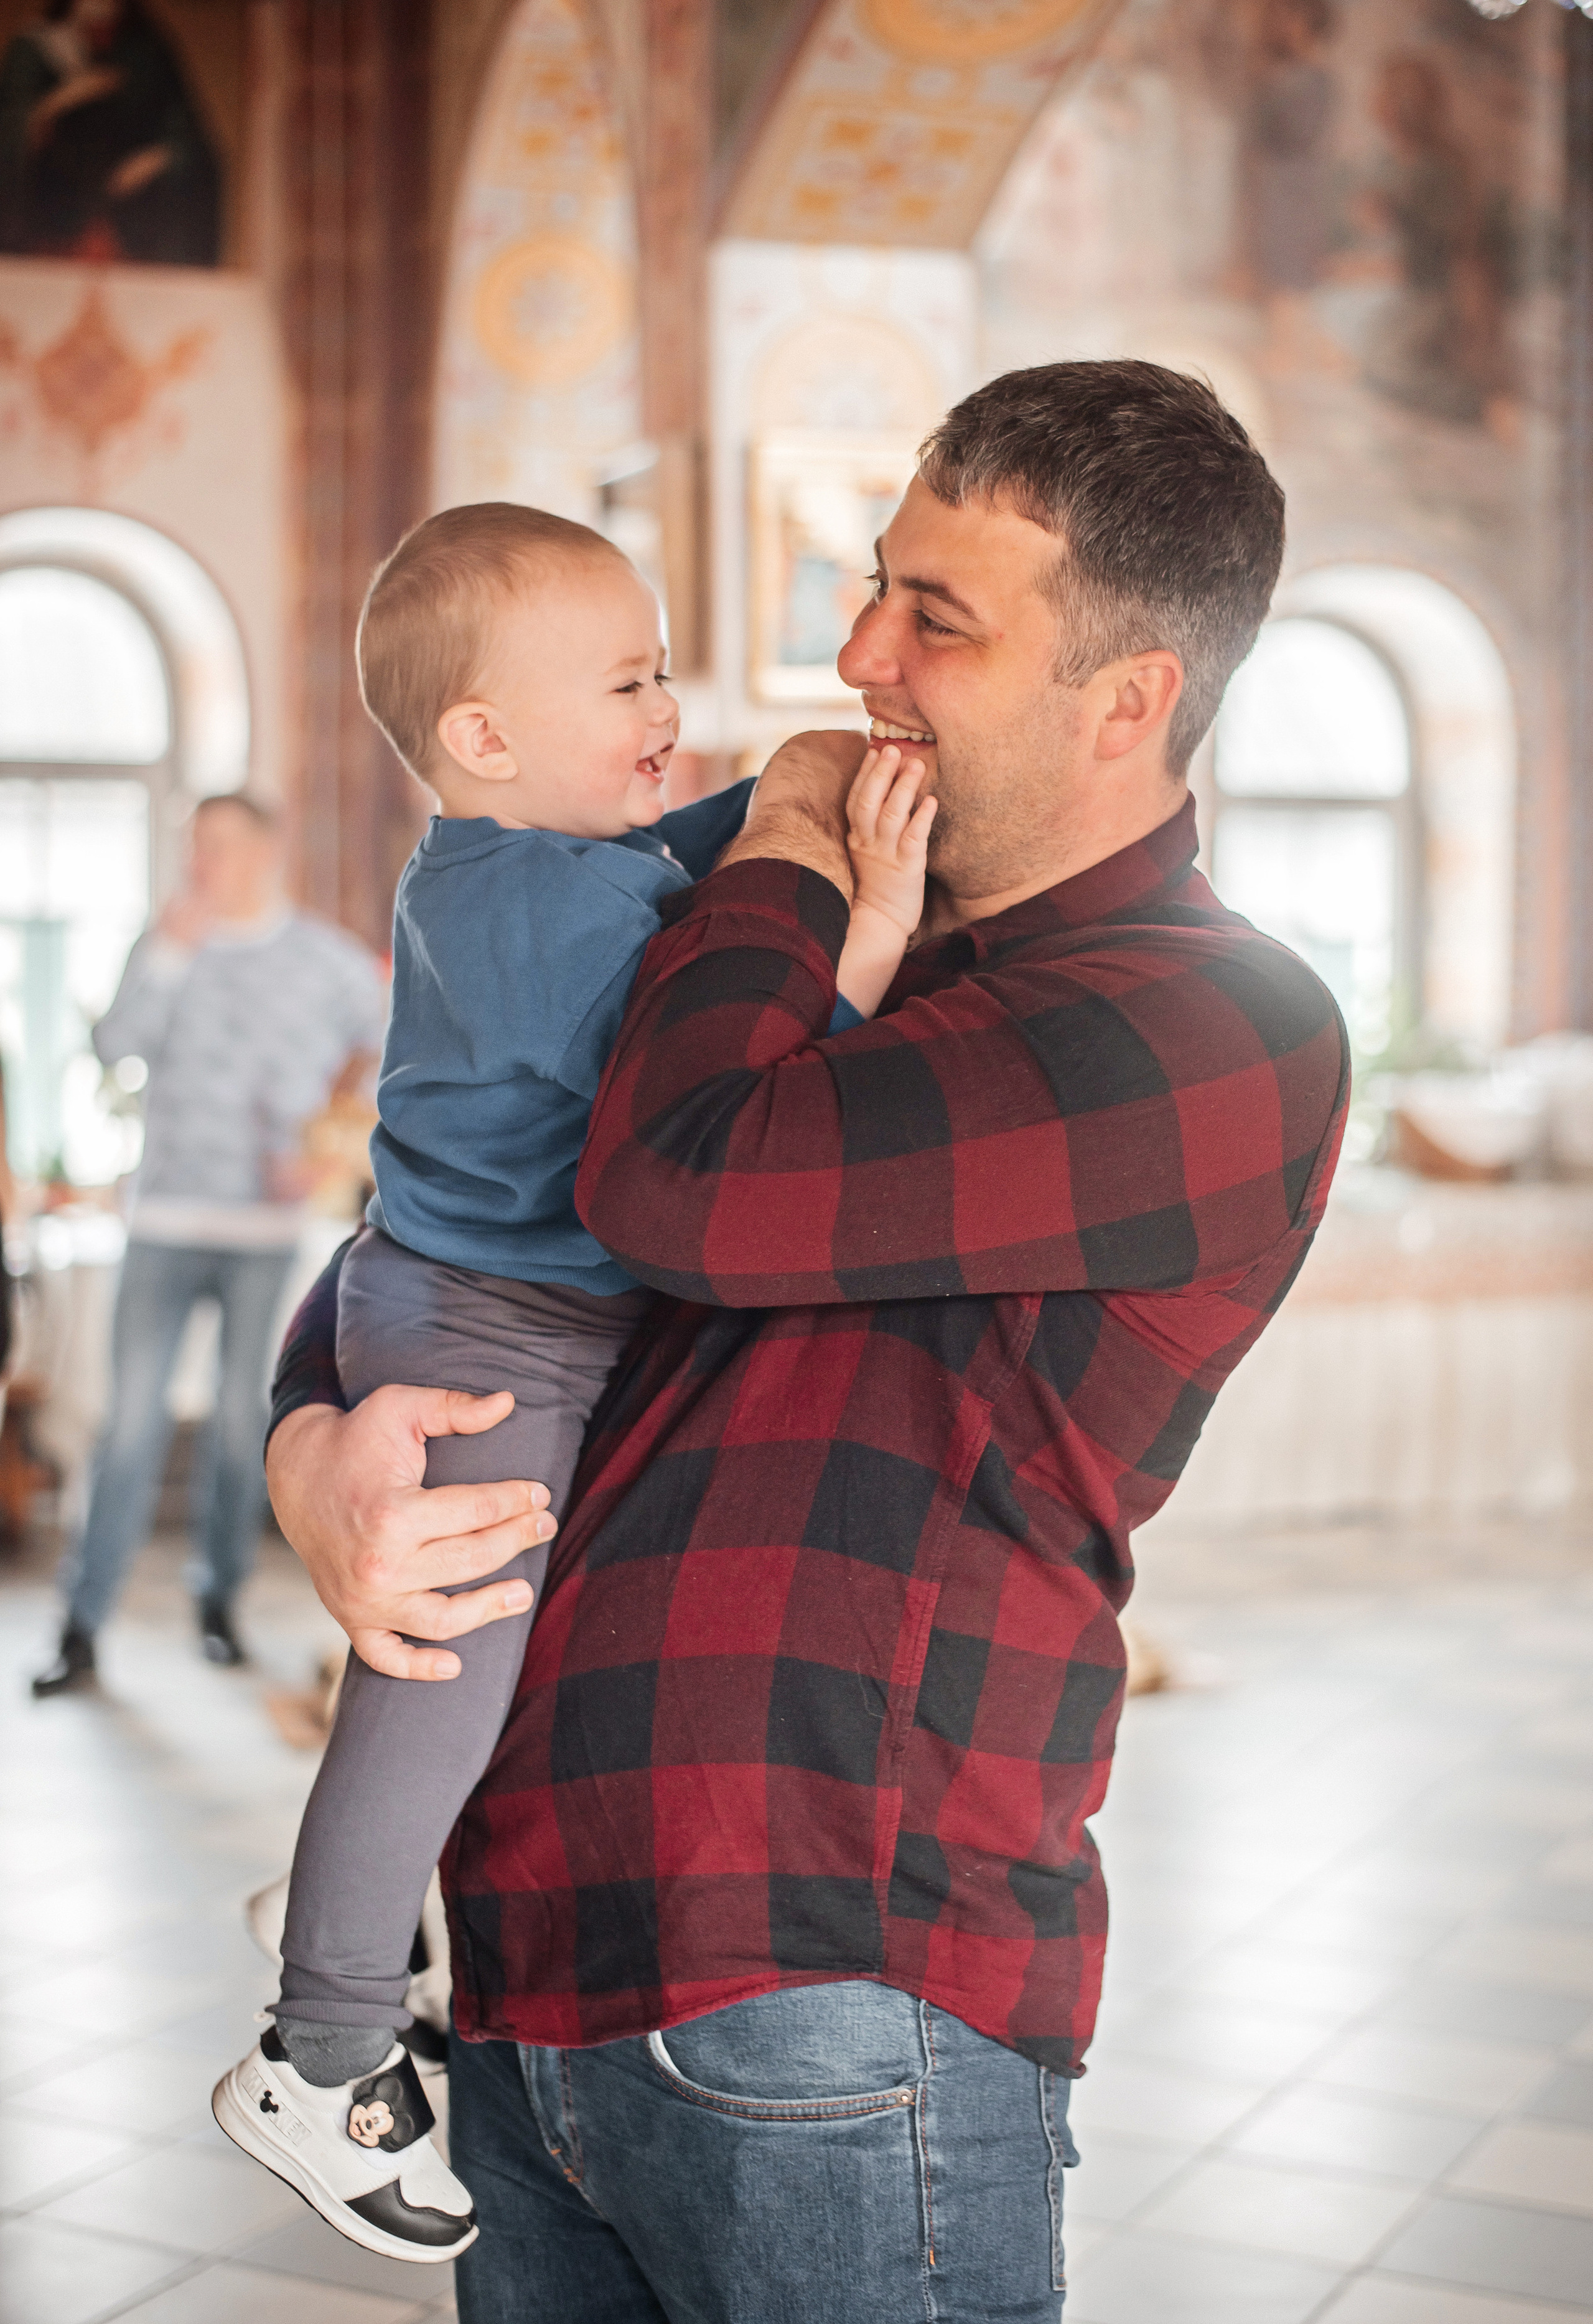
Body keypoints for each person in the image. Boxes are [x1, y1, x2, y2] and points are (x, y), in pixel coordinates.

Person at [263, 362, 1349, 2322]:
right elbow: (444, 1205)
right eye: (876, 582)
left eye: (938, 615)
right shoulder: (830, 937)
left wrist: (773, 831)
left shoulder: (1206, 1021)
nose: (854, 652)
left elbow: (676, 1177)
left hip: (822, 1990)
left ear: (1126, 701)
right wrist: (309, 1452)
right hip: (529, 1960)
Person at [212, 503, 937, 2262]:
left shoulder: (524, 856)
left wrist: (785, 799)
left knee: (473, 1676)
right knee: (441, 1686)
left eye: (664, 669)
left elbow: (693, 866)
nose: (667, 708)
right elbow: (721, 1087)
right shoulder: (544, 920)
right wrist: (873, 924)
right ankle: (322, 2045)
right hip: (487, 1346)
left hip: (467, 1307)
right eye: (631, 679)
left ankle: (353, 1898)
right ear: (484, 734)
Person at [31, 793, 387, 1698]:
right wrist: (166, 951)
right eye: (196, 847)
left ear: (265, 852)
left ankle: (218, 1604)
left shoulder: (321, 957)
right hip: (163, 1222)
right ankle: (81, 1624)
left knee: (241, 1423)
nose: (202, 863)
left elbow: (394, 1037)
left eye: (220, 846)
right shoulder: (168, 946)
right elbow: (114, 1046)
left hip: (259, 1231)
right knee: (131, 1423)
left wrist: (330, 1151)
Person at [0, 0, 221, 266]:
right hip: (56, 229)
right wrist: (60, 100)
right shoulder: (34, 50)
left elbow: (194, 141)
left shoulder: (147, 50)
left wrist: (156, 158)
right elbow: (11, 139)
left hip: (134, 228)